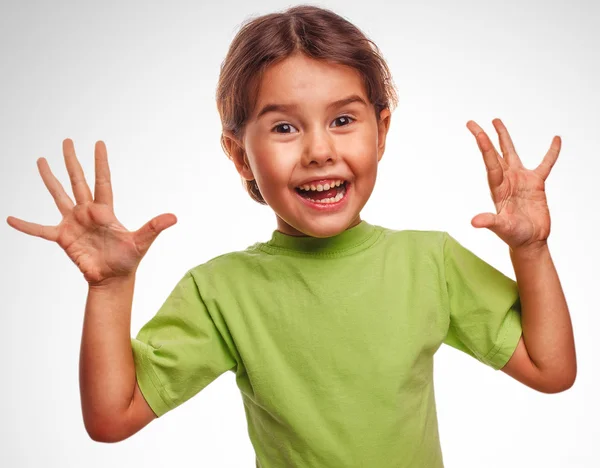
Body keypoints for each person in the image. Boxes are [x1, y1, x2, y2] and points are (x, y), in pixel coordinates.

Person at [6, 4, 576, 467]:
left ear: (381, 131)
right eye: (283, 127)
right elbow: (111, 418)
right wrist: (109, 289)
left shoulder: (429, 262)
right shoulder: (221, 291)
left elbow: (552, 371)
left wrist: (531, 250)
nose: (319, 150)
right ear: (240, 157)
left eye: (343, 120)